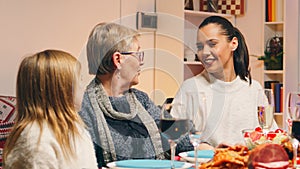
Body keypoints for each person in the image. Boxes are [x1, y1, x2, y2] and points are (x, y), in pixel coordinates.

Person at [79, 22, 193, 167]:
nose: (141, 62)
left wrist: (210, 149)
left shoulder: (141, 99)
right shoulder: (84, 107)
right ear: (118, 60)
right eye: (137, 54)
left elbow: (181, 141)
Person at [171, 16, 277, 148]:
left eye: (212, 44)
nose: (204, 52)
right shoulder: (190, 88)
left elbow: (271, 136)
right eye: (199, 46)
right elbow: (173, 139)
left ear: (233, 44)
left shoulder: (254, 89)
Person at [3, 50, 98, 169]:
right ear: (61, 90)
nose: (83, 88)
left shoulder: (77, 130)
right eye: (80, 81)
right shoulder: (36, 139)